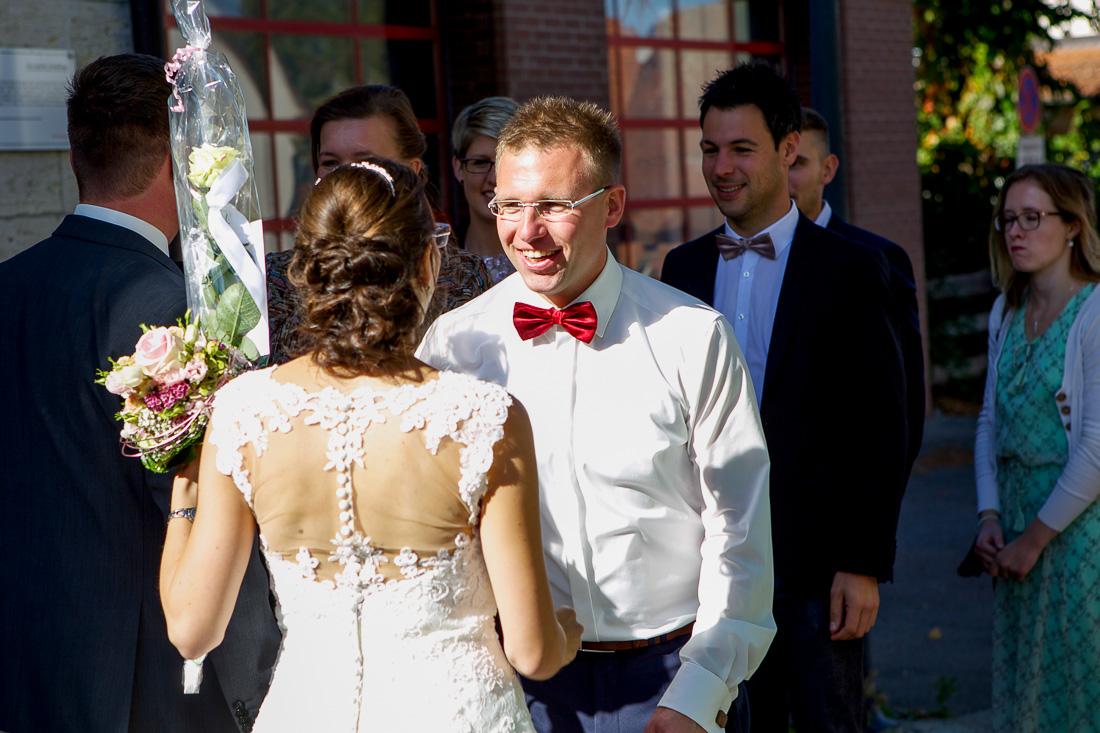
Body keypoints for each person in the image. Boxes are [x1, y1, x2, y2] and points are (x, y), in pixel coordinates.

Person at [159, 157, 582, 732]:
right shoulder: (482, 418)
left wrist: (186, 492)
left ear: (305, 269)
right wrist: (565, 633)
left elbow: (192, 630)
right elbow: (532, 652)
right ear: (427, 262)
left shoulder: (244, 412)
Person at [418, 96, 775, 733]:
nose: (526, 232)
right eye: (510, 205)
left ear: (611, 205)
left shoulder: (692, 337)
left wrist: (698, 692)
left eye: (553, 206)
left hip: (672, 676)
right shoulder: (453, 345)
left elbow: (740, 533)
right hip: (518, 689)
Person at [0, 54, 279, 733]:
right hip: (146, 683)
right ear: (174, 162)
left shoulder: (8, 287)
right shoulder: (169, 308)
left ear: (75, 154)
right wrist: (260, 686)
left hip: (22, 669)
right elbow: (206, 509)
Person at [661, 63, 907, 733]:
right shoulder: (680, 269)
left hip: (816, 568)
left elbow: (881, 426)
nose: (722, 166)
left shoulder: (852, 269)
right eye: (711, 149)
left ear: (788, 148)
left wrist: (863, 562)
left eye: (741, 148)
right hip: (708, 569)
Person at [973, 163, 1100, 733]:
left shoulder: (1094, 313)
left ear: (1073, 226)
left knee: (1080, 688)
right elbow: (987, 422)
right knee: (1031, 695)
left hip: (1078, 533)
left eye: (1032, 218)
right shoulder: (1006, 310)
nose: (1016, 232)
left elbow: (1097, 448)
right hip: (1017, 523)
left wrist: (1035, 539)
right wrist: (990, 515)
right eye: (1008, 220)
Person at [266, 84, 492, 363]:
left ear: (412, 171)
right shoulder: (277, 277)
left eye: (366, 163)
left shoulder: (459, 277)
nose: (345, 177)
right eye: (331, 162)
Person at [788, 106, 924, 472]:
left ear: (828, 169)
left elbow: (905, 401)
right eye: (778, 163)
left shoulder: (879, 259)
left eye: (797, 163)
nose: (785, 178)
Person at [451, 95, 520, 283]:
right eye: (480, 163)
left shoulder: (551, 259)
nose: (494, 179)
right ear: (458, 168)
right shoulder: (436, 262)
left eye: (504, 163)